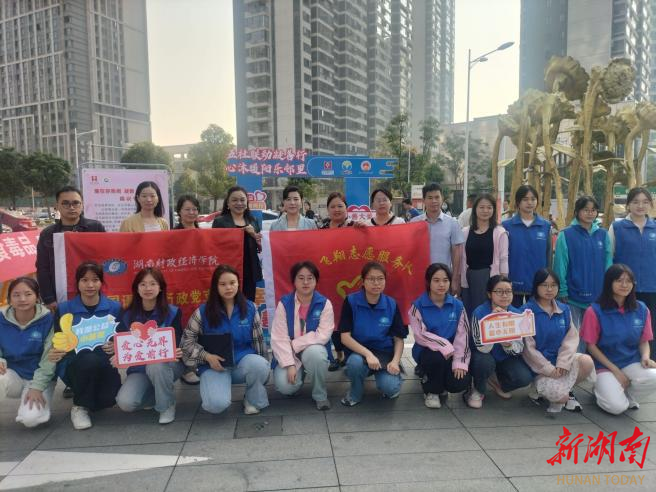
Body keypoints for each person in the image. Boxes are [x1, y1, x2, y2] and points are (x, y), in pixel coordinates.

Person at [181, 264, 269, 415]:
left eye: (232, 283)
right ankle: (217, 388)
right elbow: (186, 343)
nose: (228, 287)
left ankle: (251, 399)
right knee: (216, 405)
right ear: (215, 287)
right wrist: (206, 356)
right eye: (223, 284)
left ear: (238, 284)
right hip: (213, 366)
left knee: (259, 365)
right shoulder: (202, 312)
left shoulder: (250, 308)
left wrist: (264, 371)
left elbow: (259, 341)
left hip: (242, 362)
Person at [47, 262, 122, 429]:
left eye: (95, 280)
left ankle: (92, 397)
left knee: (108, 399)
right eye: (84, 280)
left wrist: (116, 346)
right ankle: (79, 406)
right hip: (73, 364)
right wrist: (55, 352)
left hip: (105, 364)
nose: (90, 285)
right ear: (77, 282)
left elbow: (123, 336)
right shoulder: (64, 309)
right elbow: (58, 340)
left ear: (101, 282)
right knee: (89, 361)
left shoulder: (114, 307)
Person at [580, 264, 656, 414]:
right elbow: (591, 346)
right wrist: (615, 371)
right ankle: (602, 390)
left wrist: (646, 357)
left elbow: (643, 341)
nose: (624, 285)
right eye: (619, 280)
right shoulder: (594, 311)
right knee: (616, 408)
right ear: (609, 283)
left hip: (630, 362)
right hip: (604, 365)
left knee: (653, 377)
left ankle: (626, 394)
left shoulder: (641, 309)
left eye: (629, 281)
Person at [114, 268, 185, 424]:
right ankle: (160, 393)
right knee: (126, 403)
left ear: (160, 288)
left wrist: (177, 350)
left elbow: (178, 341)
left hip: (168, 365)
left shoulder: (173, 312)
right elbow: (122, 345)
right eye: (143, 284)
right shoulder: (126, 315)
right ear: (136, 288)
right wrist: (117, 355)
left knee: (156, 365)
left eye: (153, 284)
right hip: (139, 369)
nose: (148, 288)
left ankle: (166, 405)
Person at [522, 269, 594, 413]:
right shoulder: (527, 311)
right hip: (539, 368)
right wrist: (548, 369)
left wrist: (563, 363)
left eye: (553, 285)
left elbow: (571, 339)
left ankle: (566, 388)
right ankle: (539, 389)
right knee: (562, 398)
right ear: (536, 286)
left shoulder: (564, 309)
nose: (549, 289)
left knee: (587, 362)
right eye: (544, 285)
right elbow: (528, 348)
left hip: (560, 364)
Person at [339, 262, 408, 406]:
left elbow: (399, 339)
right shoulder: (351, 301)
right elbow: (345, 337)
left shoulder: (391, 304)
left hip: (384, 354)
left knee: (390, 389)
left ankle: (390, 377)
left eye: (380, 278)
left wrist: (395, 361)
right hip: (359, 353)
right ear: (363, 281)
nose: (376, 283)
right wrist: (368, 354)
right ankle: (355, 393)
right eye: (371, 279)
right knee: (355, 364)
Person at [271, 261, 334, 410]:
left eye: (310, 278)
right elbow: (279, 337)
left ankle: (320, 395)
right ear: (294, 281)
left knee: (316, 354)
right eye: (301, 278)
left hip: (311, 350)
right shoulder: (284, 304)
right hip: (289, 352)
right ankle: (299, 375)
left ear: (316, 281)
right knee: (285, 387)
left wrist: (295, 344)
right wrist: (290, 364)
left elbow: (323, 335)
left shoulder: (324, 304)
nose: (305, 282)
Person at [409, 264, 471, 409]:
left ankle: (440, 384)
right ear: (428, 282)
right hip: (427, 351)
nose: (441, 284)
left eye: (445, 280)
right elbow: (420, 335)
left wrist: (460, 361)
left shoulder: (458, 306)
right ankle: (431, 391)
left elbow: (463, 335)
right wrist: (444, 345)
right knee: (436, 358)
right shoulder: (417, 306)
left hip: (452, 352)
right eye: (436, 280)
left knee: (459, 383)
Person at [467, 275, 533, 408]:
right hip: (483, 355)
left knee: (524, 378)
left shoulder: (516, 314)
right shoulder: (479, 313)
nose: (505, 295)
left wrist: (508, 344)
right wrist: (493, 322)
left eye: (508, 291)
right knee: (484, 363)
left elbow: (519, 349)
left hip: (504, 357)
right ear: (489, 294)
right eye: (499, 291)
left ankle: (497, 383)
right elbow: (480, 347)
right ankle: (478, 390)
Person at [36, 185, 105, 310]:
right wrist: (48, 298)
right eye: (66, 203)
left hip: (93, 291)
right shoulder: (48, 234)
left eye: (76, 203)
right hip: (60, 293)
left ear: (82, 205)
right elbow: (42, 268)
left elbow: (105, 259)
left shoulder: (95, 227)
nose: (71, 207)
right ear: (57, 206)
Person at [0, 277, 55, 427]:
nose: (22, 299)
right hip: (13, 375)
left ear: (37, 297)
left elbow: (50, 358)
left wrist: (37, 386)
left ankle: (36, 403)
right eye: (16, 295)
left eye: (28, 294)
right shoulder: (1, 319)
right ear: (9, 299)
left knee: (31, 420)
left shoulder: (48, 320)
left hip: (39, 377)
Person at [609, 187, 656, 355]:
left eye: (645, 202)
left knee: (651, 328)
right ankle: (625, 359)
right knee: (626, 326)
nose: (640, 206)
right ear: (628, 204)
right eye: (635, 202)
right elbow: (609, 257)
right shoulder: (617, 227)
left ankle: (650, 361)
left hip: (652, 288)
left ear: (650, 204)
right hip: (624, 288)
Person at [554, 195, 612, 330]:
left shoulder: (603, 235)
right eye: (586, 210)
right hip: (571, 296)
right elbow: (560, 265)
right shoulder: (566, 234)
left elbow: (608, 264)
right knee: (572, 335)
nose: (590, 213)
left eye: (593, 210)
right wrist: (562, 290)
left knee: (592, 335)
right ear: (577, 211)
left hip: (598, 295)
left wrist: (608, 288)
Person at [502, 185, 552, 307]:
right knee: (513, 316)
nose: (530, 203)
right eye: (525, 199)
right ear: (518, 202)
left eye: (533, 199)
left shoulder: (545, 226)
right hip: (512, 284)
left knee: (537, 316)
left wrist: (548, 279)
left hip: (538, 284)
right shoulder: (506, 226)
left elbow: (549, 255)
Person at [460, 193, 509, 318]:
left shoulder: (500, 232)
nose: (485, 211)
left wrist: (503, 282)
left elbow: (504, 259)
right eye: (481, 207)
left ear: (494, 210)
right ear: (475, 209)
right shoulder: (465, 232)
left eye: (489, 207)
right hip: (469, 278)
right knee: (470, 312)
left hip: (490, 277)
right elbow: (462, 259)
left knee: (488, 314)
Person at [410, 183, 464, 294]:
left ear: (442, 198)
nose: (434, 201)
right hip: (419, 278)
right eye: (430, 198)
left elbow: (456, 253)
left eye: (437, 197)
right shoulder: (414, 223)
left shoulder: (452, 223)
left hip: (443, 280)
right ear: (424, 200)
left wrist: (455, 279)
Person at [212, 186, 263, 301]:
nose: (239, 203)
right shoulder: (220, 221)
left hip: (250, 271)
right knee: (229, 303)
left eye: (242, 200)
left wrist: (254, 234)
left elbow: (260, 246)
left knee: (248, 303)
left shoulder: (253, 220)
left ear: (247, 202)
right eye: (234, 200)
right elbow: (215, 246)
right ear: (228, 204)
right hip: (228, 271)